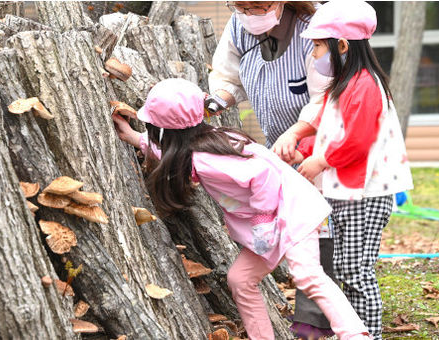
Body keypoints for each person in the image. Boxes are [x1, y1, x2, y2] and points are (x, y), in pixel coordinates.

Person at [112, 78, 372, 340]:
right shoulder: (205, 142)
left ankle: (355, 335)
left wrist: (260, 220)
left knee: (308, 275)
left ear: (165, 130)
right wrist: (135, 138)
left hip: (293, 212)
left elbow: (263, 176)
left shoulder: (206, 158)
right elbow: (171, 153)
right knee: (240, 280)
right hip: (272, 222)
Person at [273, 1, 414, 339]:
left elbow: (356, 140)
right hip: (350, 193)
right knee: (349, 269)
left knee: (355, 271)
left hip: (364, 194)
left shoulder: (364, 86)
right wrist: (299, 144)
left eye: (319, 46)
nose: (315, 54)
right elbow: (326, 128)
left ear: (342, 45)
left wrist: (320, 160)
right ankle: (355, 332)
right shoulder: (344, 86)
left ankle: (368, 334)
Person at [208, 2, 337, 337]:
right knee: (287, 228)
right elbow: (227, 76)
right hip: (277, 148)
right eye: (242, 5)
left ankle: (316, 325)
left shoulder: (313, 31)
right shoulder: (239, 28)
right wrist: (217, 100)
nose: (251, 12)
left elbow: (327, 98)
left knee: (317, 234)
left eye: (259, 5)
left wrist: (298, 137)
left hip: (318, 147)